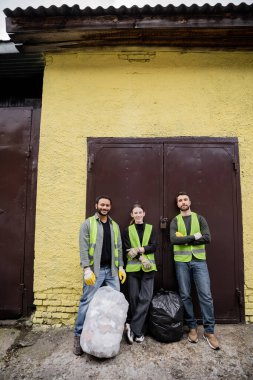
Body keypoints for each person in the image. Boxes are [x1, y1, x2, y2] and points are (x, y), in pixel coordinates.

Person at [73, 195, 126, 356]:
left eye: (107, 205)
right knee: (87, 301)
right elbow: (83, 247)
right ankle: (78, 335)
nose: (104, 207)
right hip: (94, 271)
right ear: (96, 205)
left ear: (110, 207)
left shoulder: (114, 225)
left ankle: (111, 335)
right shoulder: (88, 224)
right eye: (102, 204)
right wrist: (86, 269)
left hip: (111, 271)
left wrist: (121, 267)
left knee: (114, 302)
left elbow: (119, 247)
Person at [169, 191, 220, 350]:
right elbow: (173, 240)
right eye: (180, 200)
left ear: (189, 202)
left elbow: (208, 238)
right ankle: (192, 327)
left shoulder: (200, 218)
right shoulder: (175, 221)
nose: (183, 202)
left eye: (185, 199)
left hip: (199, 261)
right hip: (181, 262)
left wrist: (185, 239)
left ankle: (209, 331)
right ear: (177, 204)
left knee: (205, 295)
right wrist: (195, 236)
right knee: (185, 295)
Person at [123, 203, 157, 344]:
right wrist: (142, 257)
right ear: (132, 215)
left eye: (140, 212)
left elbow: (153, 246)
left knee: (146, 298)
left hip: (149, 269)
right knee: (134, 298)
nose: (137, 215)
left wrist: (138, 250)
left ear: (144, 213)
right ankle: (140, 331)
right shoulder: (127, 230)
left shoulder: (151, 228)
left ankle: (134, 328)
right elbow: (127, 249)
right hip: (133, 270)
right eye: (135, 213)